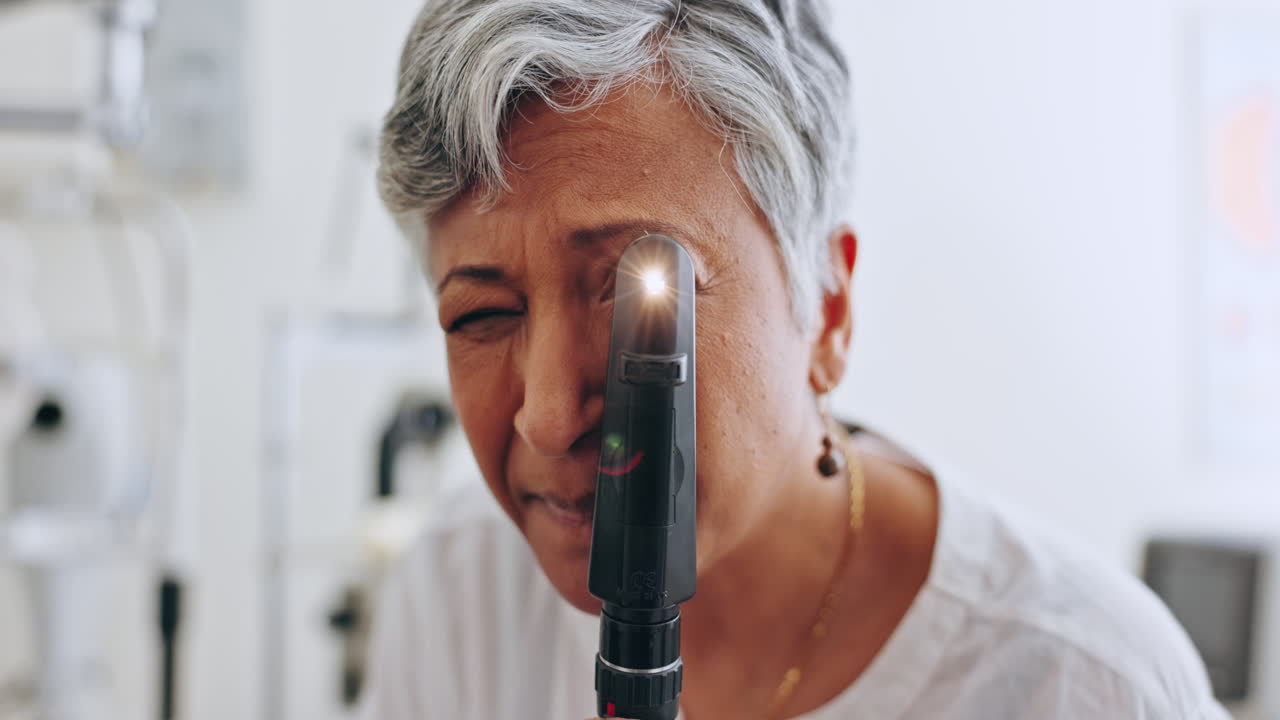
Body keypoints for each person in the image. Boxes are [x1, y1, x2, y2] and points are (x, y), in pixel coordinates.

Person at [359, 1, 1229, 718]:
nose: (548, 418)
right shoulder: (458, 595)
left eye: (635, 298)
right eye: (482, 314)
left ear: (828, 310)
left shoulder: (1088, 684)